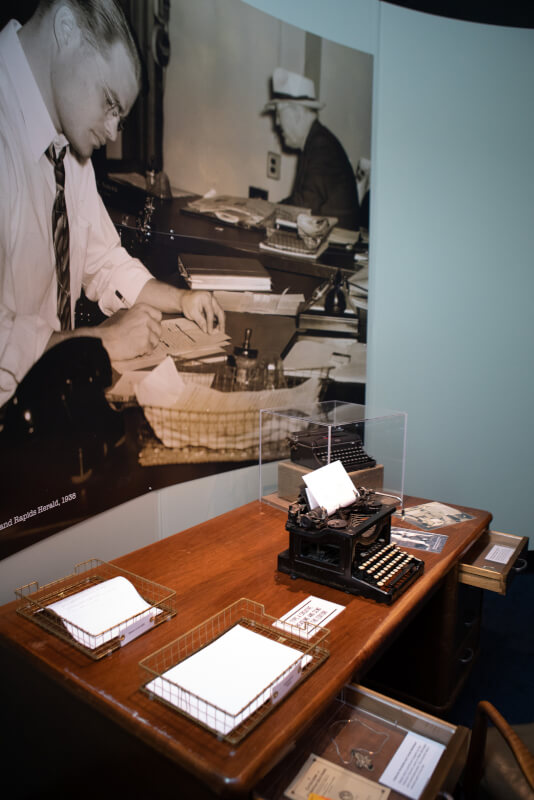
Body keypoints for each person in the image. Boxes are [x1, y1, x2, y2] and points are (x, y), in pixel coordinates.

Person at [0, 0, 224, 408]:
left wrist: (181, 300)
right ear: (65, 29)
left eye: (119, 116)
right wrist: (98, 340)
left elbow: (104, 262)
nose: (112, 132)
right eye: (109, 102)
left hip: (50, 401)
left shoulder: (65, 143)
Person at [264, 67, 360, 231]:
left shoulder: (321, 147)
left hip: (334, 251)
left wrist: (264, 210)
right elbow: (300, 201)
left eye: (279, 114)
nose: (277, 123)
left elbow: (303, 208)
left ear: (298, 113)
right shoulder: (315, 144)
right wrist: (265, 207)